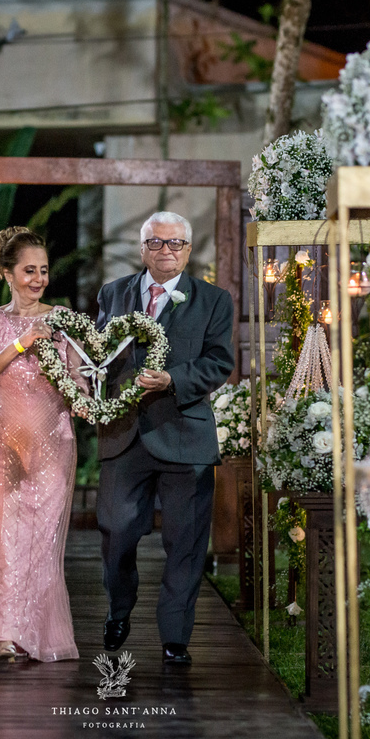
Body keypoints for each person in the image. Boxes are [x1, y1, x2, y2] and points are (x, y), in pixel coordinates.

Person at [95, 211, 234, 666]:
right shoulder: (112, 293)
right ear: (143, 248)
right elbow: (99, 354)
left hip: (184, 435)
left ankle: (175, 635)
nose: (165, 250)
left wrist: (171, 380)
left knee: (186, 541)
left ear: (189, 250)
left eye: (175, 243)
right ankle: (119, 610)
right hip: (123, 436)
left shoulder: (214, 300)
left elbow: (219, 363)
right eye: (155, 242)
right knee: (116, 531)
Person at [0, 226, 83, 662]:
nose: (38, 279)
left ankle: (33, 630)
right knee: (0, 536)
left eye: (44, 270)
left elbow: (76, 378)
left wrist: (89, 404)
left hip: (52, 441)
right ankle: (1, 633)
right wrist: (20, 343)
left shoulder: (62, 320)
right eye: (28, 270)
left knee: (41, 537)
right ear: (6, 273)